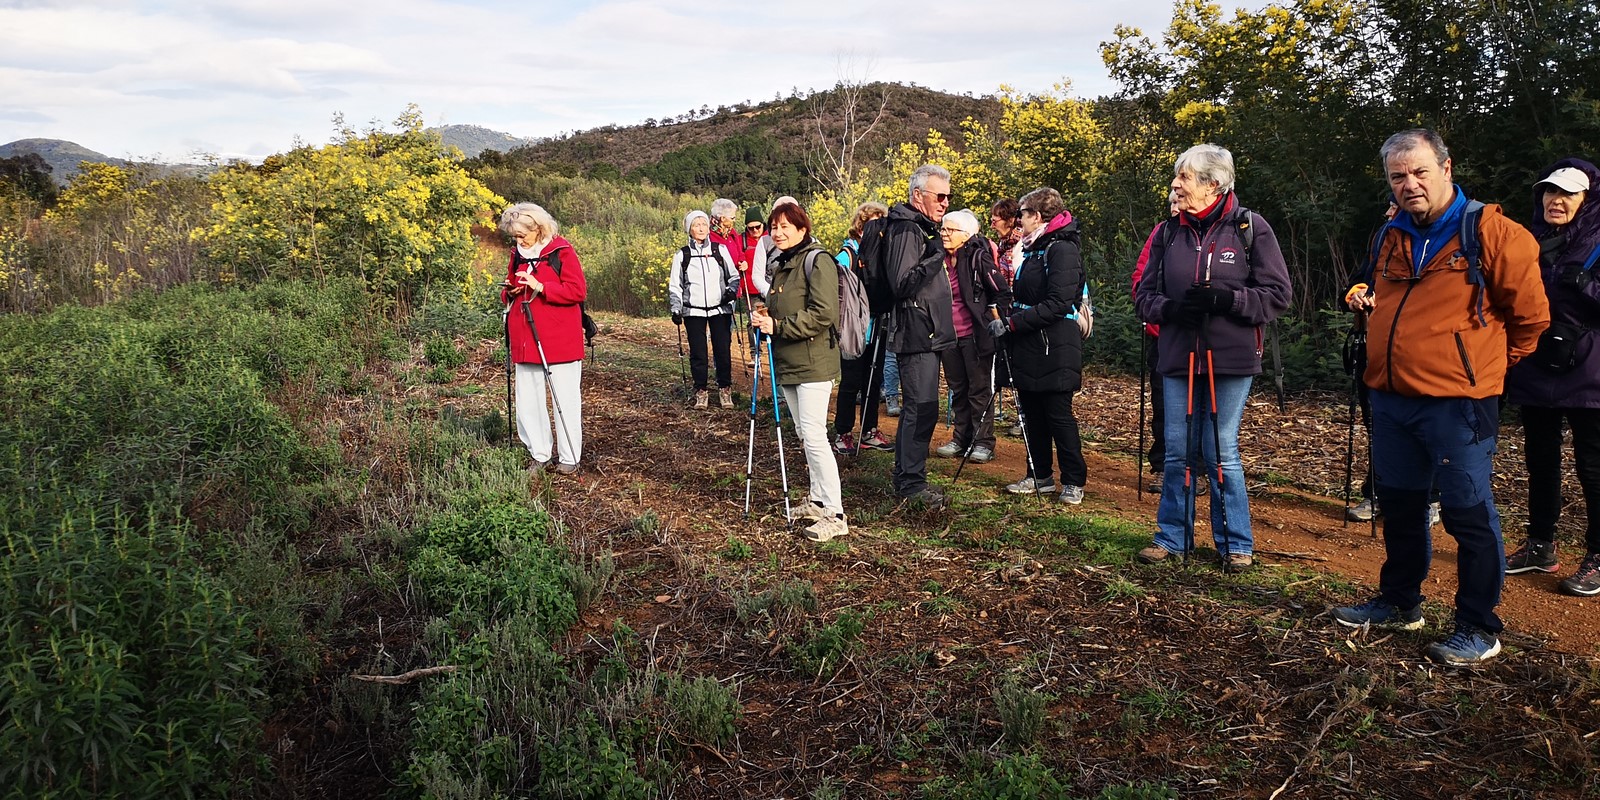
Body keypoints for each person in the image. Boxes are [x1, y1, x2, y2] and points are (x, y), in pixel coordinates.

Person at [1330, 129, 1548, 666]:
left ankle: (1478, 626)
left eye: (1420, 172)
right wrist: (1358, 297)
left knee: (1467, 513)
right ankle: (1400, 602)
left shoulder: (1496, 233)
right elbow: (1369, 287)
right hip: (1391, 397)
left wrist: (1482, 369)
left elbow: (1531, 319)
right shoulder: (1389, 234)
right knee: (1401, 505)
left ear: (1447, 169)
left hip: (1459, 404)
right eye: (1398, 176)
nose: (1410, 184)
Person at [1134, 144, 1292, 569]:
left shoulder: (1250, 228)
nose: (1175, 185)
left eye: (1184, 177)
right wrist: (1170, 310)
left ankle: (1236, 543)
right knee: (1177, 450)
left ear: (1213, 184)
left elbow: (1278, 295)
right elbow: (1143, 295)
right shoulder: (1167, 232)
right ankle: (1172, 537)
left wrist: (1228, 299)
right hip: (1177, 355)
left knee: (1220, 449)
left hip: (1231, 357)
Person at [1504, 159, 1600, 595]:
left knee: (1593, 466)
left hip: (1589, 367)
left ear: (1587, 199)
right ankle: (1540, 544)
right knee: (1540, 460)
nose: (1555, 200)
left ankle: (1597, 554)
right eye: (1549, 191)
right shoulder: (1529, 239)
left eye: (1567, 193)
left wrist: (1587, 285)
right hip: (1536, 361)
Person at [750, 201, 847, 542]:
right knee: (805, 434)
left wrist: (778, 326)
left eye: (784, 227)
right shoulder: (782, 263)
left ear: (802, 229)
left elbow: (824, 313)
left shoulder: (817, 261)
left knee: (815, 435)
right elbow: (784, 308)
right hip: (789, 362)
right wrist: (766, 316)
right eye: (773, 227)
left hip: (814, 362)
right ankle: (817, 500)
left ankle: (835, 513)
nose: (777, 233)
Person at [995, 189, 1088, 503]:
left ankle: (1073, 481)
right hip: (1031, 343)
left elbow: (1059, 303)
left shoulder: (1062, 249)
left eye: (1022, 213)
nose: (1018, 220)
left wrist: (1012, 323)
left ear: (1037, 215)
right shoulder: (1035, 248)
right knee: (1032, 414)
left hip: (1056, 345)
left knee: (1058, 416)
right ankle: (1039, 476)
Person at [883, 164, 957, 507]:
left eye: (948, 196)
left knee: (922, 408)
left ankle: (908, 478)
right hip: (915, 333)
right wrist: (936, 255)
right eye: (939, 196)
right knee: (921, 408)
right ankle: (911, 485)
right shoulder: (906, 230)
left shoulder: (919, 228)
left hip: (925, 332)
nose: (945, 203)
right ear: (918, 195)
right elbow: (902, 283)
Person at [499, 202, 588, 475]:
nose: (519, 240)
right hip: (525, 338)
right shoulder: (517, 255)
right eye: (514, 236)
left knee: (565, 398)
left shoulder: (561, 250)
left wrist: (541, 286)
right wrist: (510, 291)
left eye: (522, 235)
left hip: (560, 338)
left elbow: (577, 291)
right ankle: (539, 454)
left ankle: (569, 456)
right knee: (528, 401)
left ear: (538, 228)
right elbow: (509, 287)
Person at [934, 209, 1011, 464]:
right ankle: (961, 438)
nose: (944, 233)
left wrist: (990, 320)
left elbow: (1002, 292)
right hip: (948, 334)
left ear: (966, 235)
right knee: (958, 389)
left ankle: (983, 442)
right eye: (943, 228)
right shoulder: (938, 258)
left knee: (979, 390)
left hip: (975, 335)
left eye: (950, 229)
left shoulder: (978, 257)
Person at [833, 201, 894, 454]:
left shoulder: (884, 255)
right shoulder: (847, 255)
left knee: (873, 380)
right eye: (873, 224)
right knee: (851, 381)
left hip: (877, 326)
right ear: (860, 227)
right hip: (852, 330)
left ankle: (869, 430)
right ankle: (843, 433)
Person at [1130, 193, 1180, 492]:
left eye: (1179, 202)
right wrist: (1150, 308)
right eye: (1172, 203)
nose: (1175, 207)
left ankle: (1198, 469)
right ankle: (1162, 467)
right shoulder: (1161, 232)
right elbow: (1140, 276)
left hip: (1202, 338)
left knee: (1200, 406)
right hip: (1162, 335)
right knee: (1163, 404)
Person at [668, 210, 740, 409]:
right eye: (696, 225)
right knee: (698, 353)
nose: (701, 228)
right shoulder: (682, 255)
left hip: (720, 309)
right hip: (693, 311)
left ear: (709, 227)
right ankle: (701, 391)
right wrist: (676, 309)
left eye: (704, 224)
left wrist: (730, 292)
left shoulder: (719, 250)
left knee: (722, 351)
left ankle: (725, 389)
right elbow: (675, 285)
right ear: (689, 229)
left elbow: (734, 276)